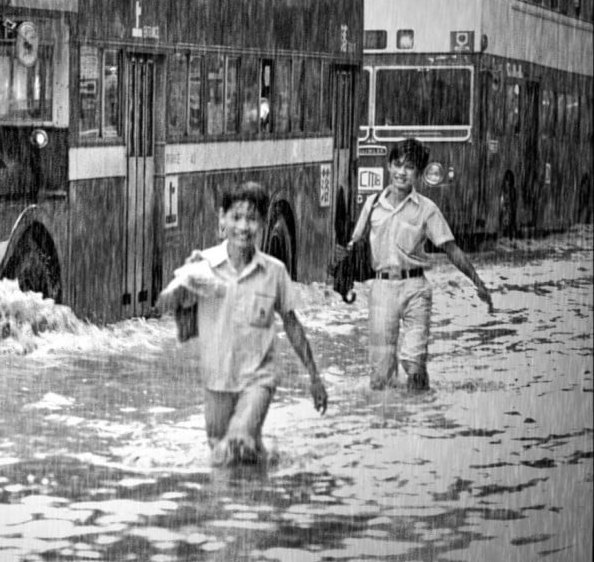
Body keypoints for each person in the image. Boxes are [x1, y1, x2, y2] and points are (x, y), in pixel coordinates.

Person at [157, 181, 328, 466]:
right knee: (223, 456)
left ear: (262, 222)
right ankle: (263, 467)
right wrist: (185, 283)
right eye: (236, 218)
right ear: (222, 219)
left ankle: (244, 497)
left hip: (258, 378)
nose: (243, 227)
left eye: (252, 219)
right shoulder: (204, 264)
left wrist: (315, 377)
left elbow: (292, 325)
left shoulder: (274, 271)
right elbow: (163, 305)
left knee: (235, 444)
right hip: (217, 381)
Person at [344, 138, 492, 391]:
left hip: (416, 290)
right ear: (389, 166)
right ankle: (387, 422)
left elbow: (451, 249)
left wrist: (477, 282)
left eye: (409, 167)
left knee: (413, 362)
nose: (402, 172)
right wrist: (341, 271)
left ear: (418, 174)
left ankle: (421, 411)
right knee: (380, 376)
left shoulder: (427, 209)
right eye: (398, 165)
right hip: (381, 290)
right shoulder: (372, 204)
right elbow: (355, 243)